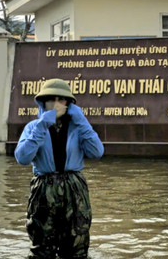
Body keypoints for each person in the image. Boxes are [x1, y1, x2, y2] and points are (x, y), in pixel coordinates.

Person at [15, 78, 104, 259]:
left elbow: (97, 152)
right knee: (41, 247)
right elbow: (22, 158)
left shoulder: (79, 128)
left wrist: (83, 122)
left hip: (74, 190)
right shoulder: (33, 127)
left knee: (76, 245)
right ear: (43, 102)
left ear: (69, 103)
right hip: (44, 189)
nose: (56, 104)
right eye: (51, 99)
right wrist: (42, 125)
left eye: (61, 100)